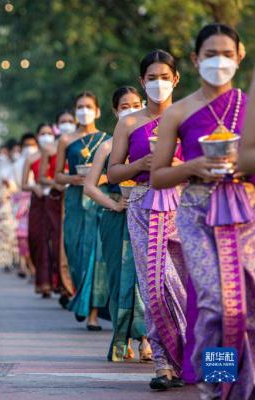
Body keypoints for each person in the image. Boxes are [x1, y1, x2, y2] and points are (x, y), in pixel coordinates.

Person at [151, 24, 254, 399]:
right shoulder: (178, 112)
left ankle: (245, 387)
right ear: (195, 60)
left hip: (245, 210)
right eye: (211, 54)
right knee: (215, 302)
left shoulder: (249, 105)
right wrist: (192, 167)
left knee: (247, 306)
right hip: (197, 210)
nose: (219, 61)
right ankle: (216, 384)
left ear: (240, 57)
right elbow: (159, 175)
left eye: (227, 54)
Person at [108, 50, 188, 390]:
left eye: (164, 77)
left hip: (189, 209)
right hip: (144, 207)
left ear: (177, 79)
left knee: (202, 290)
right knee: (155, 287)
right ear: (143, 82)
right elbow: (112, 173)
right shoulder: (129, 122)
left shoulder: (192, 115)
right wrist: (141, 165)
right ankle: (163, 364)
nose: (159, 83)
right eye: (152, 78)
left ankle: (214, 369)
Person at [84, 86, 149, 362]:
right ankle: (122, 341)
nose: (131, 110)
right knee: (118, 280)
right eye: (125, 106)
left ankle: (147, 339)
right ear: (114, 111)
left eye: (136, 104)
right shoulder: (108, 146)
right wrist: (113, 204)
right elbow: (89, 186)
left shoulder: (151, 140)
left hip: (146, 214)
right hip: (115, 218)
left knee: (144, 280)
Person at [53, 93, 110, 330]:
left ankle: (92, 313)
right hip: (75, 201)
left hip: (99, 200)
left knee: (95, 256)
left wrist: (98, 178)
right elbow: (57, 177)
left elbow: (116, 173)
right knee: (75, 253)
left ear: (97, 111)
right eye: (80, 107)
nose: (83, 111)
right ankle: (80, 298)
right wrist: (73, 178)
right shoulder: (66, 140)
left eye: (88, 107)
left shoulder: (108, 140)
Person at [26, 122, 69, 299]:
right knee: (41, 241)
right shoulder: (37, 155)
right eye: (42, 133)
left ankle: (62, 283)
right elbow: (40, 178)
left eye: (48, 133)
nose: (46, 136)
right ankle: (44, 281)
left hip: (63, 199)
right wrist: (57, 183)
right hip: (43, 199)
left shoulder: (69, 147)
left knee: (61, 241)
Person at [12, 132, 38, 279]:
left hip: (38, 202)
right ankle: (27, 266)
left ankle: (31, 267)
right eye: (27, 145)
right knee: (22, 237)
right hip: (21, 206)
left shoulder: (42, 160)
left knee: (35, 237)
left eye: (33, 145)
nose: (30, 148)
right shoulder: (16, 165)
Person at [0, 139, 19, 271]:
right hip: (6, 205)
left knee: (18, 235)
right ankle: (6, 261)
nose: (16, 153)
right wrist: (0, 198)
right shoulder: (2, 168)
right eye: (14, 151)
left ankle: (19, 261)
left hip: (21, 205)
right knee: (5, 234)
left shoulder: (23, 165)